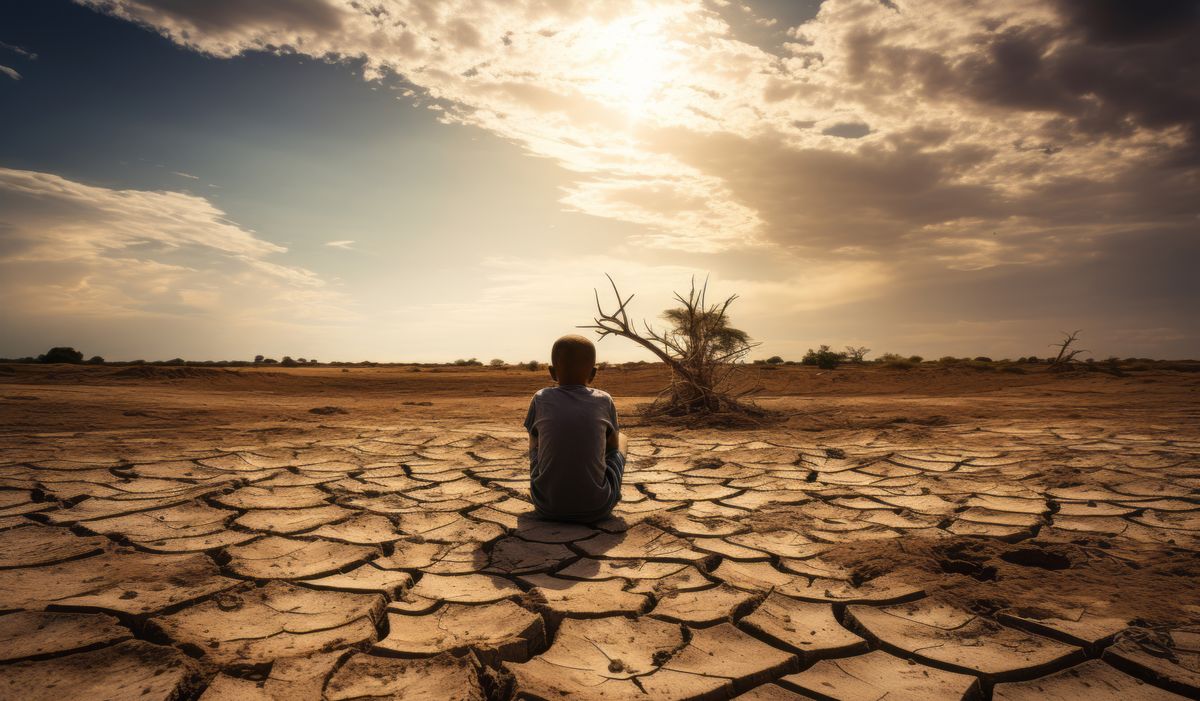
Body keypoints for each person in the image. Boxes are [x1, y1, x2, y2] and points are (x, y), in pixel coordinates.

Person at [524, 334, 627, 522]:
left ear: (552, 372)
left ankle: (546, 485)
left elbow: (534, 439)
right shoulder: (604, 399)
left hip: (546, 506)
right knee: (623, 439)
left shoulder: (540, 398)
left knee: (535, 443)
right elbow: (611, 445)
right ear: (593, 373)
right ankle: (605, 487)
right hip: (598, 507)